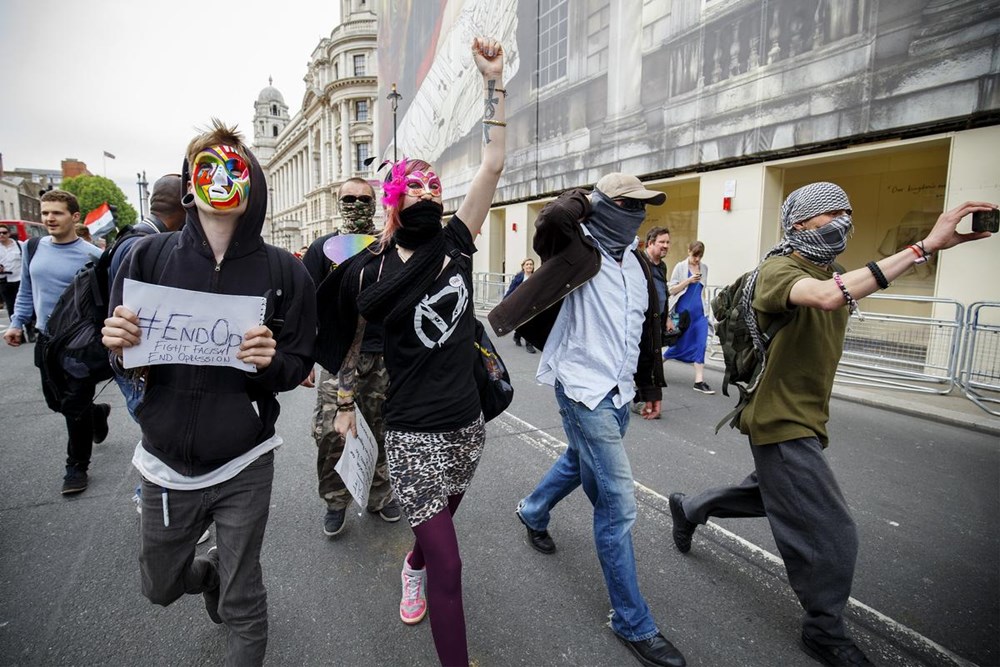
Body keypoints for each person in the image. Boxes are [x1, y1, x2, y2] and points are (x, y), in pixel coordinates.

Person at [667, 183, 995, 667]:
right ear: (799, 223)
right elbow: (823, 298)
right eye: (830, 214)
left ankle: (689, 507)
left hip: (807, 416)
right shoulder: (779, 272)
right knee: (832, 532)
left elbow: (848, 284)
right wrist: (922, 246)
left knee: (770, 495)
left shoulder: (836, 269)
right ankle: (824, 630)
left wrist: (932, 251)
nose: (844, 221)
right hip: (779, 418)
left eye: (848, 211)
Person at [316, 37, 505, 667]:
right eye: (413, 188)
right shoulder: (368, 272)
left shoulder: (455, 243)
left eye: (434, 187)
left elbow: (493, 164)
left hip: (468, 427)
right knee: (449, 563)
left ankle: (414, 559)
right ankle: (436, 612)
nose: (427, 193)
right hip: (413, 433)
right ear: (392, 202)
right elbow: (350, 342)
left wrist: (493, 84)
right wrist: (344, 404)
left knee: (438, 529)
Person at [101, 120, 316, 666]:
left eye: (234, 169)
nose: (220, 179)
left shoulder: (283, 273)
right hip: (166, 463)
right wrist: (118, 345)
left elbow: (297, 363)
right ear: (190, 185)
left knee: (244, 600)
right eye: (207, 168)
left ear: (253, 184)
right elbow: (121, 352)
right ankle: (208, 572)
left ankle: (232, 581)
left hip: (245, 461)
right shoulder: (147, 259)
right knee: (160, 586)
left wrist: (270, 366)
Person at [488, 173, 686, 667]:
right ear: (601, 205)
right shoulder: (574, 247)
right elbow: (554, 216)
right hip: (581, 388)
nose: (638, 213)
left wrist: (649, 388)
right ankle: (631, 621)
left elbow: (641, 332)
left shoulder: (639, 264)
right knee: (617, 504)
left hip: (618, 392)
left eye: (645, 206)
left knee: (579, 460)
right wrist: (587, 198)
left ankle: (533, 510)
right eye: (628, 204)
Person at [302, 177, 400, 537]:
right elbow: (306, 306)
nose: (357, 204)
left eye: (364, 198)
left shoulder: (389, 246)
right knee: (331, 433)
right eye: (349, 199)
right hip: (336, 361)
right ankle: (335, 499)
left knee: (380, 429)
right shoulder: (322, 249)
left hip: (383, 359)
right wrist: (303, 359)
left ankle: (379, 493)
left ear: (375, 203)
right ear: (338, 202)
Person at [4, 190, 108, 495]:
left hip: (78, 343)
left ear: (74, 217)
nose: (49, 218)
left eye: (57, 213)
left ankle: (76, 468)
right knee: (58, 402)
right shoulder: (33, 248)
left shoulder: (94, 256)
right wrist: (16, 323)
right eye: (46, 212)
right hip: (46, 338)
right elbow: (26, 289)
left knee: (74, 404)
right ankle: (96, 413)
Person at [664, 240, 713, 394]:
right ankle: (656, 366)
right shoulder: (680, 267)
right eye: (694, 255)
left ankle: (699, 381)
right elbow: (671, 290)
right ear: (689, 251)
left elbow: (702, 290)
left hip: (700, 314)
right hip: (683, 313)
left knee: (701, 343)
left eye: (700, 256)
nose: (697, 259)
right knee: (677, 345)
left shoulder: (704, 268)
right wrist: (688, 280)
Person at [632, 226, 671, 416]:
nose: (666, 246)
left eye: (667, 242)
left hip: (658, 320)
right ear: (650, 243)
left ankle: (646, 397)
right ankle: (640, 399)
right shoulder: (639, 261)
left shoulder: (662, 265)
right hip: (641, 320)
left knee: (651, 359)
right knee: (643, 358)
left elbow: (663, 292)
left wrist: (667, 317)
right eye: (662, 242)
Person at [503, 258, 536, 352]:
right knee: (524, 322)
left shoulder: (536, 277)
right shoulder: (519, 277)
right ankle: (527, 343)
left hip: (532, 304)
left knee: (530, 323)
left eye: (531, 264)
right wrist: (504, 302)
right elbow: (511, 289)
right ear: (523, 267)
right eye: (527, 264)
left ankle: (519, 337)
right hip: (520, 304)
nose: (529, 266)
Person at [0, 224, 24, 318]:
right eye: (0, 233)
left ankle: (29, 327)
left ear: (9, 234)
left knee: (23, 304)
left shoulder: (20, 245)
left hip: (20, 280)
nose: (2, 235)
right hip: (4, 281)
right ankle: (17, 330)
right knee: (10, 307)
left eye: (4, 233)